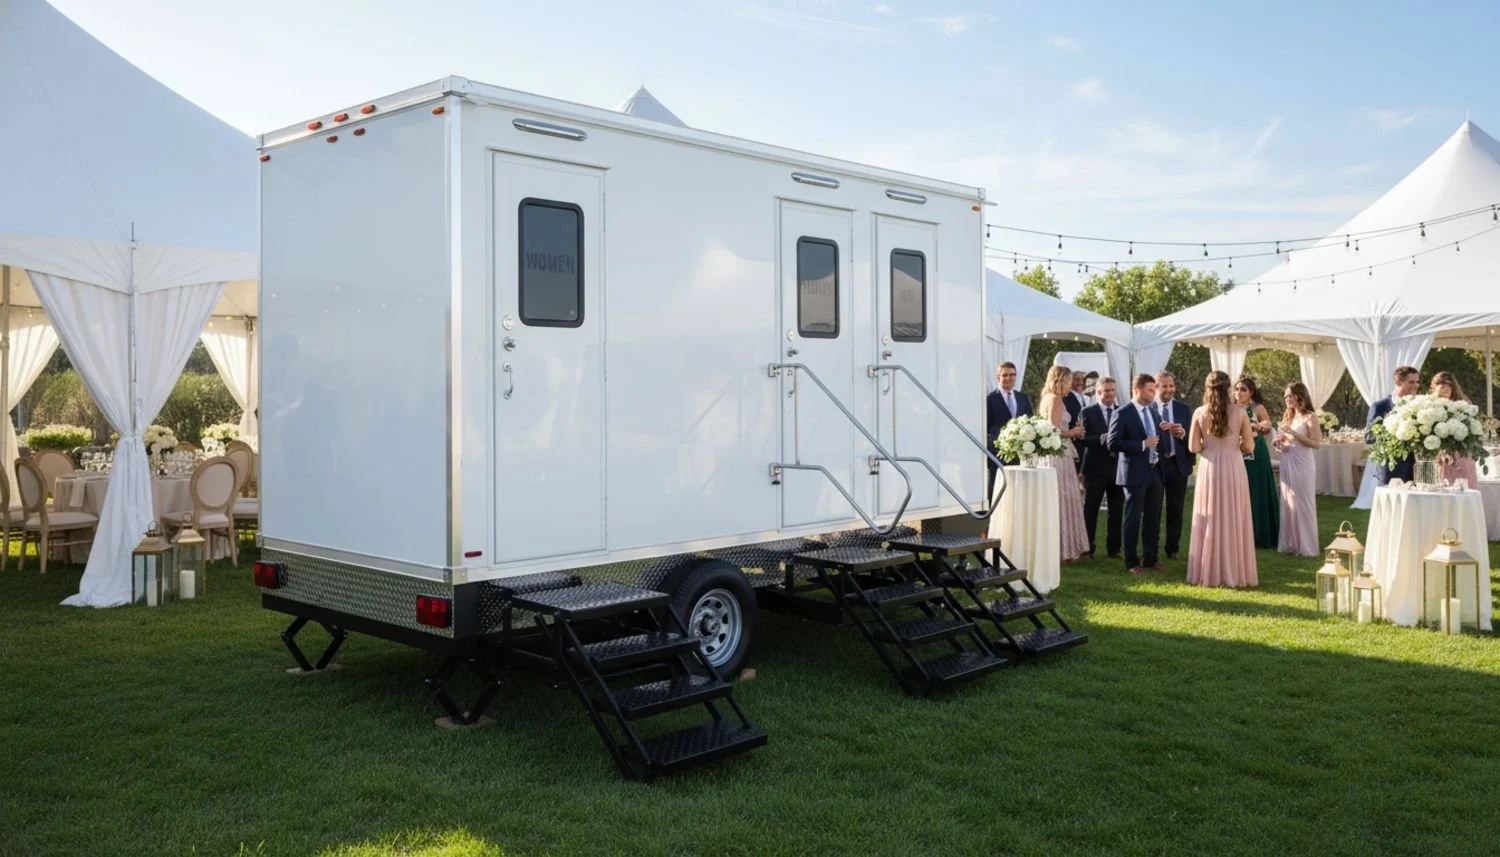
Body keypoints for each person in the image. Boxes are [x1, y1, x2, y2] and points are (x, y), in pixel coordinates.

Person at [1187, 371, 1258, 587]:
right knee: (1233, 515)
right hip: (1233, 466)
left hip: (1209, 467)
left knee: (1209, 517)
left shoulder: (1199, 412)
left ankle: (1208, 570)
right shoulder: (1240, 412)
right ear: (1228, 387)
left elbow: (1194, 447)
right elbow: (1248, 446)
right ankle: (1234, 571)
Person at [1107, 374, 1165, 576]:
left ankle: (1151, 557)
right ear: (1137, 389)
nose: (1154, 393)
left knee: (1153, 516)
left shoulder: (1153, 410)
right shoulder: (1123, 413)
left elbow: (1157, 436)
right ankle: (1131, 561)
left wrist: (1168, 430)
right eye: (1150, 390)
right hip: (1133, 473)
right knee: (1133, 518)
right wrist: (1142, 444)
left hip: (1154, 470)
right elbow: (1112, 444)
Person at [1039, 365, 1090, 563]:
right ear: (1061, 380)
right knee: (1063, 499)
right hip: (1057, 456)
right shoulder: (1054, 399)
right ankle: (1064, 550)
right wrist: (1073, 432)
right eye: (1069, 380)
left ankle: (1065, 547)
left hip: (1058, 453)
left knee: (1064, 498)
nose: (1071, 385)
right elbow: (1052, 431)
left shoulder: (1048, 398)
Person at [1273, 382, 1321, 557]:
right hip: (1288, 460)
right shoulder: (1289, 416)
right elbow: (1288, 444)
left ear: (1300, 396)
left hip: (1303, 463)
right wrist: (1279, 442)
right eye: (1285, 396)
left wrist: (1293, 434)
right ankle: (1291, 543)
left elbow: (1316, 443)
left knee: (1304, 502)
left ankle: (1308, 546)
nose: (1287, 399)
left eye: (1290, 396)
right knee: (1289, 501)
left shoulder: (1310, 417)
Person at [1079, 376, 1123, 559]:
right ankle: (1088, 548)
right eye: (1106, 391)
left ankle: (1114, 549)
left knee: (1116, 510)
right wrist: (1100, 439)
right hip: (1095, 467)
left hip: (1117, 467)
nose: (1110, 394)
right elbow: (1081, 438)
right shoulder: (1087, 412)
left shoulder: (1122, 411)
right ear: (1098, 392)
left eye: (1112, 390)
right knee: (1091, 510)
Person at [1236, 374, 1280, 549]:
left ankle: (1259, 534)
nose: (1238, 392)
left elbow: (1267, 425)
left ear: (1251, 393)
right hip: (1236, 452)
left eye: (1243, 390)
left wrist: (1258, 426)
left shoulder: (1257, 408)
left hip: (1256, 452)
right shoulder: (1230, 408)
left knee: (1257, 488)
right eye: (1237, 389)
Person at [1154, 372, 1194, 560]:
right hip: (1155, 465)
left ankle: (1173, 548)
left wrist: (1182, 433)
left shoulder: (1184, 409)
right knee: (1153, 507)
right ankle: (1151, 549)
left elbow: (1193, 437)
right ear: (1156, 387)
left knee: (1175, 508)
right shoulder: (1149, 408)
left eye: (1171, 386)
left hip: (1178, 464)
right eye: (1165, 386)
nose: (1169, 390)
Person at [1366, 365, 1420, 484]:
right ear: (1398, 381)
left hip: (1417, 468)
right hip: (1390, 469)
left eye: (1417, 382)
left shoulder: (1419, 406)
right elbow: (1369, 437)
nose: (1416, 385)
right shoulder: (1380, 406)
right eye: (1411, 382)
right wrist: (1393, 432)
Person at [986, 362, 1033, 492]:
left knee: (1018, 487)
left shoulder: (1023, 397)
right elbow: (987, 427)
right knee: (996, 486)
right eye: (1005, 375)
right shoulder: (990, 399)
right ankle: (994, 511)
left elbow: (1030, 421)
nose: (1009, 378)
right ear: (998, 377)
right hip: (998, 453)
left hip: (1020, 453)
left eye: (1012, 374)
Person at [1431, 371, 1480, 486]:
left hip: (1460, 452)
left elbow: (1472, 429)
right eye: (1439, 392)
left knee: (1461, 484)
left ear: (1453, 389)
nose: (1442, 395)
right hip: (1439, 452)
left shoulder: (1463, 404)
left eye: (1446, 391)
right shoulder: (1431, 405)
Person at [1065, 370, 1089, 470]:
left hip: (1085, 443)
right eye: (1077, 379)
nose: (1080, 382)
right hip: (1073, 441)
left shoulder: (1085, 397)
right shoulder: (1067, 397)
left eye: (1083, 379)